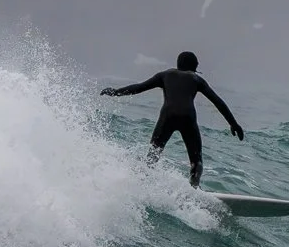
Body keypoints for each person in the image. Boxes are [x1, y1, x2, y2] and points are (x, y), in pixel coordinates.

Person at [100, 51, 244, 187]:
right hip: (188, 118)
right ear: (194, 66)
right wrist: (233, 124)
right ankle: (194, 188)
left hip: (167, 117)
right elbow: (218, 101)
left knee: (153, 155)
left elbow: (139, 87)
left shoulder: (165, 75)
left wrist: (115, 92)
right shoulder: (196, 79)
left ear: (178, 64)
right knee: (196, 161)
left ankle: (142, 183)